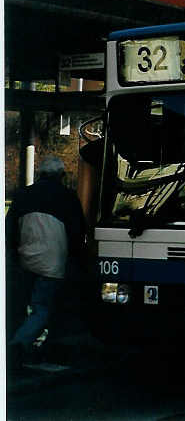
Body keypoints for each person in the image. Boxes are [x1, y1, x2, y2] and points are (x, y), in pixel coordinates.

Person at [6, 156, 86, 369]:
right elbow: (78, 232)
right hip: (53, 262)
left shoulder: (23, 195)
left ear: (40, 174)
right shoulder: (68, 197)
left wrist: (13, 254)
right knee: (43, 307)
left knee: (22, 304)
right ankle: (20, 344)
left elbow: (10, 227)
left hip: (24, 259)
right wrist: (76, 259)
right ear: (61, 175)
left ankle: (23, 342)